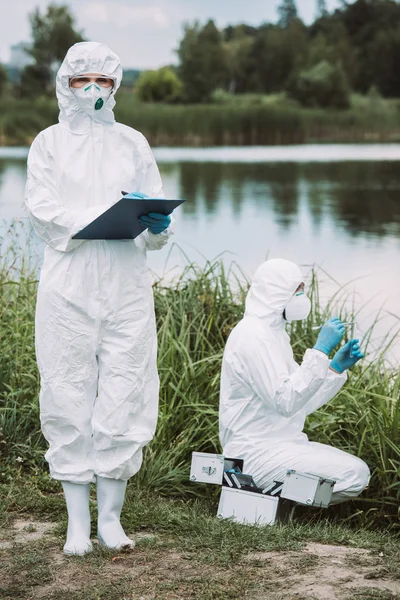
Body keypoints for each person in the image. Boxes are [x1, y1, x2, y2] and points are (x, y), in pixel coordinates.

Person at [25, 42, 174, 555]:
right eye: (82, 78)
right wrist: (93, 223)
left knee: (125, 389)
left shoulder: (133, 142)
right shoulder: (48, 143)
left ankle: (110, 520)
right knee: (66, 392)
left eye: (102, 80)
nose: (92, 88)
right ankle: (75, 526)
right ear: (66, 83)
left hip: (126, 285)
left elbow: (151, 213)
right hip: (68, 285)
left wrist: (157, 227)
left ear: (114, 85)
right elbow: (43, 210)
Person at [219, 258, 370, 505]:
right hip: (254, 453)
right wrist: (320, 350)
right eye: (297, 291)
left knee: (358, 471)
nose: (302, 298)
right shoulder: (252, 336)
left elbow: (299, 404)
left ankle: (268, 501)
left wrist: (334, 369)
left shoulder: (275, 335)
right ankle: (262, 499)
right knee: (353, 475)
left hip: (283, 445)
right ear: (277, 293)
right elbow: (286, 401)